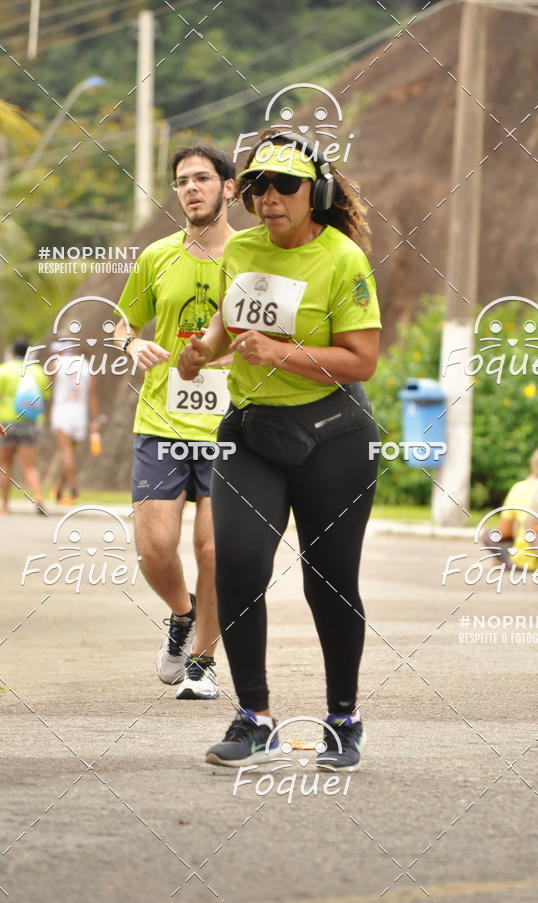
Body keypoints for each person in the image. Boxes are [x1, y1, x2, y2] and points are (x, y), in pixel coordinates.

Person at [178, 129, 382, 771]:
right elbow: (228, 323)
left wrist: (283, 354)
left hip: (334, 438)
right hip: (251, 433)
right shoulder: (239, 249)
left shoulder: (342, 259)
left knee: (331, 581)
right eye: (259, 185)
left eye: (285, 185)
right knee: (237, 563)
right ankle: (254, 717)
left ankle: (343, 720)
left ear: (313, 193)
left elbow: (363, 360)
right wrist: (201, 352)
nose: (269, 197)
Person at [114, 143, 236, 699]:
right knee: (154, 548)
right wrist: (133, 342)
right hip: (161, 419)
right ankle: (182, 617)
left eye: (203, 178)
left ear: (228, 188)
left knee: (215, 549)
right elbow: (121, 322)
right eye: (182, 180)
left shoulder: (255, 257)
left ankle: (204, 663)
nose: (191, 188)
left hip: (232, 426)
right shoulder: (157, 256)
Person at [0, 337, 51, 515]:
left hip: (6, 423)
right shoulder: (37, 371)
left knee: (5, 464)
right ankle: (38, 498)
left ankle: (5, 506)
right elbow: (45, 397)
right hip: (31, 424)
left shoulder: (3, 370)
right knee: (30, 466)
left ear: (12, 352)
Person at [47, 340, 100, 505]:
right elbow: (92, 394)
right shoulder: (84, 364)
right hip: (80, 414)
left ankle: (74, 489)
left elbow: (47, 385)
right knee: (69, 453)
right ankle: (59, 490)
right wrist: (95, 419)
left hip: (63, 411)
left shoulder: (56, 364)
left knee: (65, 453)